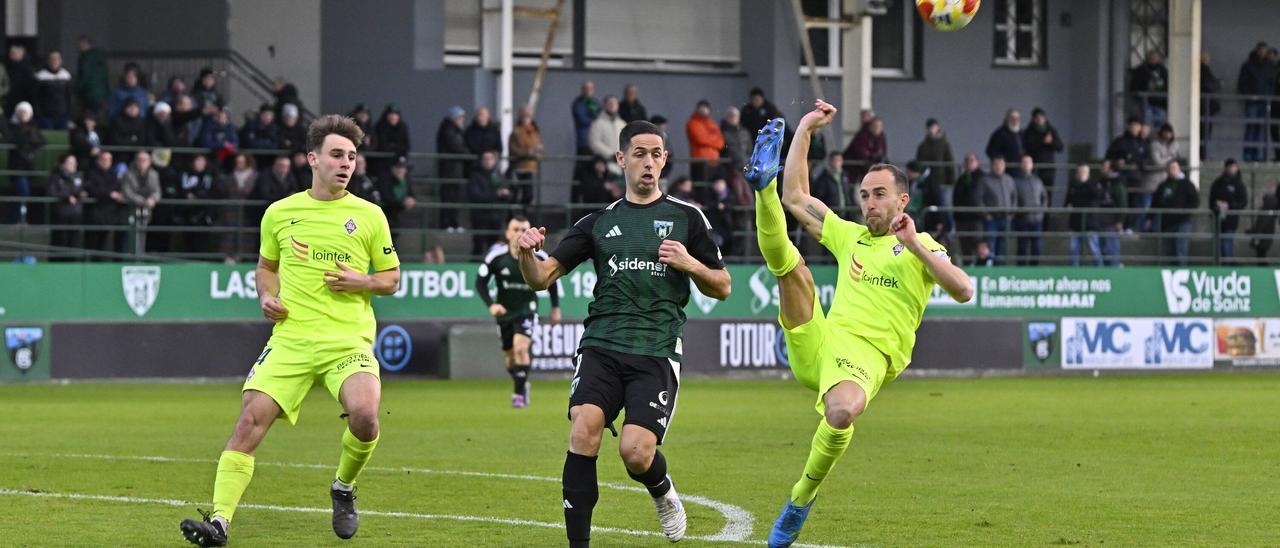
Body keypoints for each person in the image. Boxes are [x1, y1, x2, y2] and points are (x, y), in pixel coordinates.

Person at [740, 100, 971, 547]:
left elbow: (963, 289)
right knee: (791, 269)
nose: (868, 203)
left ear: (902, 200)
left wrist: (914, 245)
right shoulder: (852, 236)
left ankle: (799, 500)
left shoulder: (923, 246)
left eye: (878, 194)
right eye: (864, 195)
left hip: (866, 357)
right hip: (821, 343)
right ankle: (761, 187)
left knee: (842, 412)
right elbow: (797, 198)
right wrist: (805, 129)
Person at [179, 115, 401, 547]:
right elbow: (266, 268)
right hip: (292, 340)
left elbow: (391, 279)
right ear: (312, 159)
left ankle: (343, 487)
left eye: (352, 156)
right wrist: (267, 295)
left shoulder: (370, 215)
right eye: (337, 154)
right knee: (248, 421)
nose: (346, 163)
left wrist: (363, 281)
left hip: (347, 341)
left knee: (365, 414)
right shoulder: (280, 213)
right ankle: (219, 523)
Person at [514, 119, 731, 547]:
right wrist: (525, 253)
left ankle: (662, 490)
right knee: (583, 429)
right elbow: (541, 277)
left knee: (635, 452)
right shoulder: (599, 222)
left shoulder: (687, 217)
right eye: (639, 154)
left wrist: (689, 263)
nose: (648, 162)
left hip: (655, 348)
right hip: (602, 344)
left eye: (656, 154)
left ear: (664, 160)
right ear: (620, 159)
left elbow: (722, 286)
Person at [475, 215, 562, 408]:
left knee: (521, 348)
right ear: (507, 233)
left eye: (524, 230)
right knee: (510, 358)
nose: (520, 234)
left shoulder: (540, 256)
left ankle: (518, 395)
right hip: (505, 312)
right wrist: (491, 305)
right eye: (516, 229)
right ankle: (522, 384)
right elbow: (480, 283)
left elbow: (553, 281)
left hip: (527, 309)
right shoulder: (496, 257)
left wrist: (555, 307)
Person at [1152, 159, 1198, 266]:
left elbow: (1194, 201)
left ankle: (1182, 271)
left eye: (1174, 168)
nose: (1172, 170)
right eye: (1170, 168)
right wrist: (1150, 217)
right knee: (1170, 251)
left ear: (1179, 169)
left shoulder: (1187, 184)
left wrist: (1185, 214)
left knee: (1180, 249)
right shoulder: (1163, 185)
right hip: (1167, 223)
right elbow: (1156, 202)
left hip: (1182, 222)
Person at [1065, 164, 1105, 266]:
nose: (1081, 174)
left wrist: (1086, 182)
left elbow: (1098, 195)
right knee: (1073, 250)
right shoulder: (1073, 185)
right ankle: (1074, 272)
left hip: (1090, 222)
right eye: (1079, 171)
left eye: (1083, 171)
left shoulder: (1094, 184)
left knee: (1094, 249)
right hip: (1075, 223)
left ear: (1088, 173)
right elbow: (1067, 201)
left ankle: (1100, 271)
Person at [1209, 159, 1249, 262]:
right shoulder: (1218, 183)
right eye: (1231, 167)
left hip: (1231, 219)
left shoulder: (1238, 184)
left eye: (1234, 167)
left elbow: (1243, 201)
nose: (1233, 169)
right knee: (1221, 243)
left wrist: (1230, 206)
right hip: (1219, 218)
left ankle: (1228, 264)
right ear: (1226, 168)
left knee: (1227, 241)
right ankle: (1223, 263)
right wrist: (1216, 207)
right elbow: (1212, 200)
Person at [46, 153, 86, 257]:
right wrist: (66, 197)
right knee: (60, 241)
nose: (74, 165)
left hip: (76, 214)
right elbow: (51, 192)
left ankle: (72, 263)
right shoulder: (55, 177)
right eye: (70, 162)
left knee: (74, 242)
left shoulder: (79, 177)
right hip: (60, 215)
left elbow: (81, 190)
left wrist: (81, 194)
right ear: (62, 164)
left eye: (74, 162)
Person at [1013, 155, 1048, 266]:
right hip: (1022, 219)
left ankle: (1034, 269)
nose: (1026, 164)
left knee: (1036, 248)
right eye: (1024, 162)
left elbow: (1044, 197)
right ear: (1020, 165)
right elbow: (1013, 199)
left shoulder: (1037, 180)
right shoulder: (1015, 181)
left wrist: (1041, 212)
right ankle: (1021, 270)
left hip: (1037, 220)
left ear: (1032, 165)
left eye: (1028, 162)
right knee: (1022, 247)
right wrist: (1018, 212)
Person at [1020, 108, 1063, 198]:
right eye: (1037, 117)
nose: (1040, 119)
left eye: (1042, 117)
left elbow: (1060, 147)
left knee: (1048, 193)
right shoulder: (1029, 131)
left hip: (1049, 168)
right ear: (1034, 119)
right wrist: (1043, 142)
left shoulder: (1051, 130)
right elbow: (1028, 147)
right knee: (1034, 192)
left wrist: (1051, 142)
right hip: (1035, 168)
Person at [1131, 50, 1169, 127]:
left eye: (1155, 57)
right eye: (1151, 57)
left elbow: (1168, 84)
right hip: (1145, 101)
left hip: (1160, 102)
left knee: (1162, 117)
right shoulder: (1141, 70)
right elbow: (1134, 86)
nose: (1153, 59)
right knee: (1147, 118)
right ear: (1147, 58)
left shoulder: (1163, 70)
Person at [985, 109, 1024, 174]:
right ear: (1007, 119)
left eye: (1017, 118)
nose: (1015, 120)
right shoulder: (999, 134)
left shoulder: (1021, 133)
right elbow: (990, 151)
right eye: (1012, 118)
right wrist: (1001, 162)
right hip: (1005, 171)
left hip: (1020, 169)